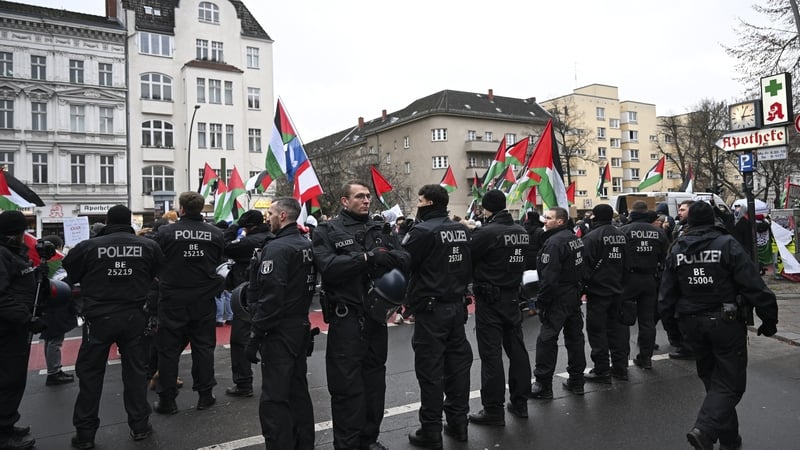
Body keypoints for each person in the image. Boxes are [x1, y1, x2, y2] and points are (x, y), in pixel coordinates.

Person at [658, 201, 778, 450]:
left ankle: (730, 441)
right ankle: (705, 429)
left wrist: (673, 330)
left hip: (691, 324)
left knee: (715, 384)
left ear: (689, 222)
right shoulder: (727, 245)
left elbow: (666, 295)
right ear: (714, 219)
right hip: (725, 323)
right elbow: (754, 285)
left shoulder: (677, 248)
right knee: (730, 385)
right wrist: (769, 319)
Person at [312, 181, 410, 450]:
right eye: (359, 197)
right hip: (347, 319)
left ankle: (369, 439)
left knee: (374, 383)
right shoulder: (328, 230)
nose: (366, 200)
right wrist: (365, 259)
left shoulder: (380, 228)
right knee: (345, 386)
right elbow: (328, 267)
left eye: (368, 196)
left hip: (376, 318)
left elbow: (405, 257)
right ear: (345, 201)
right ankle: (347, 443)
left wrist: (387, 257)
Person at [62, 205, 165, 449]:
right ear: (129, 221)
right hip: (134, 316)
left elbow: (71, 272)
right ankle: (140, 426)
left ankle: (85, 433)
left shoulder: (88, 246)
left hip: (99, 318)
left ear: (107, 221)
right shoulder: (148, 246)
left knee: (90, 375)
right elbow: (157, 272)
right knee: (135, 373)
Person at [403, 184, 473, 448]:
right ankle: (458, 423)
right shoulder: (462, 230)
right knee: (457, 368)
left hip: (431, 311)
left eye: (420, 200)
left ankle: (431, 429)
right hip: (456, 306)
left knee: (431, 370)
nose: (418, 204)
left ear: (429, 202)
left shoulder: (421, 231)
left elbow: (405, 263)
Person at [244, 198, 316, 449]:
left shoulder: (277, 249)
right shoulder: (304, 243)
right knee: (298, 393)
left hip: (279, 330)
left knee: (275, 399)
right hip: (299, 326)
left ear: (283, 215)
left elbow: (272, 296)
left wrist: (255, 334)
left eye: (271, 213)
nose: (268, 218)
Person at [153, 192, 225, 414]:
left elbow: (155, 261)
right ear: (201, 209)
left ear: (181, 209)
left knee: (168, 351)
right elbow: (219, 261)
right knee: (203, 348)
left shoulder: (165, 232)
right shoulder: (215, 233)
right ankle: (205, 395)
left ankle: (167, 400)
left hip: (172, 298)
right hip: (203, 298)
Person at [467, 189, 532, 426]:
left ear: (486, 208)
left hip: (490, 299)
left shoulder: (486, 232)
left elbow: (469, 259)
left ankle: (493, 409)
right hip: (512, 296)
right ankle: (520, 402)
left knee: (491, 355)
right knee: (517, 350)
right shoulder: (521, 231)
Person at [529, 206, 585, 399]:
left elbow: (549, 279)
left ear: (560, 221)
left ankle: (543, 385)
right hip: (573, 295)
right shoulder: (573, 238)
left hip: (559, 297)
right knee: (575, 338)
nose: (545, 220)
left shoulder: (554, 243)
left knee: (546, 339)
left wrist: (542, 303)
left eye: (549, 218)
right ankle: (577, 380)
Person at [222, 209, 274, 398]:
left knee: (239, 341)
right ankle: (275, 380)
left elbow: (224, 244)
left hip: (246, 297)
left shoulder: (248, 242)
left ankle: (243, 383)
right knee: (270, 340)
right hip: (269, 297)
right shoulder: (273, 238)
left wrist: (235, 225)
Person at [0, 211, 40, 450]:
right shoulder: (3, 254)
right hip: (7, 329)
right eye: (22, 232)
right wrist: (27, 319)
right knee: (7, 380)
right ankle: (3, 435)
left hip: (15, 328)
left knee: (14, 380)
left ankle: (7, 423)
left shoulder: (14, 254)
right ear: (14, 233)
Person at [619, 201, 669, 369]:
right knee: (647, 321)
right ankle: (646, 358)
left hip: (628, 279)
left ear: (632, 213)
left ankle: (621, 360)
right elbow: (665, 258)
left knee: (624, 320)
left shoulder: (624, 231)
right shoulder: (659, 232)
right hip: (650, 279)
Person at [581, 204, 628, 383]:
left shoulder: (591, 237)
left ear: (595, 217)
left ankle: (601, 369)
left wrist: (584, 287)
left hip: (598, 292)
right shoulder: (622, 235)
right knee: (618, 330)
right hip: (618, 290)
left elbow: (585, 266)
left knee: (597, 331)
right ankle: (620, 367)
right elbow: (627, 263)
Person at [39, 234, 78, 386]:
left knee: (50, 339)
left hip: (45, 305)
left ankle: (53, 369)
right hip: (57, 305)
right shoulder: (59, 263)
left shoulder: (40, 262)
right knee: (55, 340)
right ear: (58, 247)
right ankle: (54, 372)